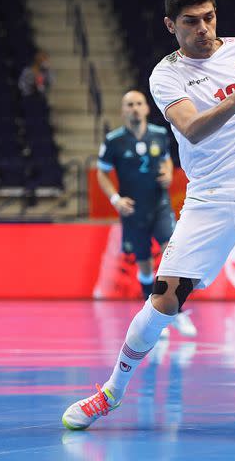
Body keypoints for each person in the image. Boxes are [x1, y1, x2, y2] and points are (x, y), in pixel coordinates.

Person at [62, 0, 235, 430]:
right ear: (170, 25)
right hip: (208, 196)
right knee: (163, 301)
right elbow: (193, 130)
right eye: (191, 22)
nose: (203, 28)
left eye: (209, 17)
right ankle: (111, 392)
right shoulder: (166, 75)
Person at [96, 90, 197, 337]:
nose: (134, 108)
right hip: (133, 209)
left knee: (172, 253)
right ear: (123, 110)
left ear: (146, 108)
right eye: (129, 104)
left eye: (139, 104)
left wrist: (167, 172)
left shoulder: (160, 135)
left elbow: (166, 160)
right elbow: (102, 173)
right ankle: (151, 314)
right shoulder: (114, 140)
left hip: (159, 205)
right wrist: (115, 199)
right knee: (143, 263)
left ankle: (178, 313)